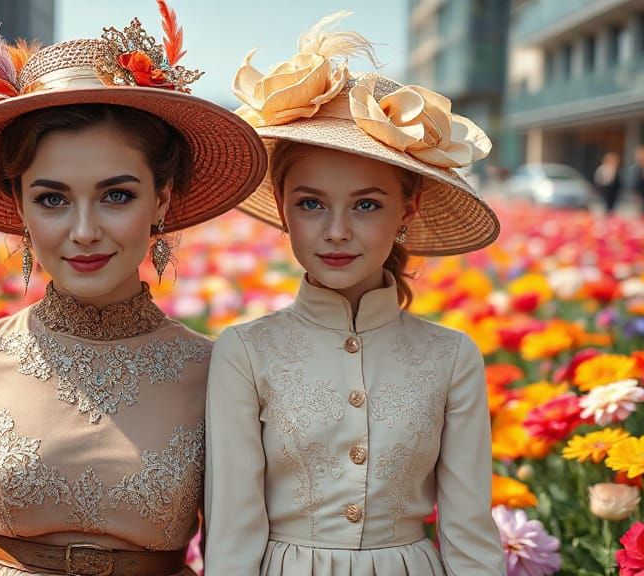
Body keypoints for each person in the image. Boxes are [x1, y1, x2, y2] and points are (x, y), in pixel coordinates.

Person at [0, 6, 267, 575]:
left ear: (163, 200)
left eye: (117, 196)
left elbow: (236, 558)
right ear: (20, 208)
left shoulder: (217, 370)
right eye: (52, 199)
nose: (84, 232)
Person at [204, 13, 506, 575]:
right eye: (311, 203)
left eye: (366, 204)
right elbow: (231, 533)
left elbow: (470, 534)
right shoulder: (245, 352)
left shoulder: (452, 356)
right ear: (283, 205)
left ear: (406, 210)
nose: (336, 231)